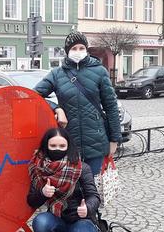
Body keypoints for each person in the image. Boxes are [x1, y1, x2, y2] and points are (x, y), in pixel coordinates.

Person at [34, 30, 122, 176]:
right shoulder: (57, 74)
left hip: (96, 141)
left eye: (81, 48)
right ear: (67, 51)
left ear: (86, 50)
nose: (78, 51)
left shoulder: (99, 71)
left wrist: (114, 139)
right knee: (70, 189)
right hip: (68, 142)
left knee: (91, 187)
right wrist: (56, 109)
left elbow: (111, 107)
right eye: (74, 48)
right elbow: (34, 96)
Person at [27, 127, 100, 232]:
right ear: (46, 146)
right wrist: (42, 193)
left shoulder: (81, 168)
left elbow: (94, 196)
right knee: (40, 222)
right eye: (53, 146)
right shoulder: (38, 168)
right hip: (57, 217)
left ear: (68, 146)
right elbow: (31, 201)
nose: (57, 149)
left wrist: (87, 208)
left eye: (62, 146)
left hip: (80, 219)